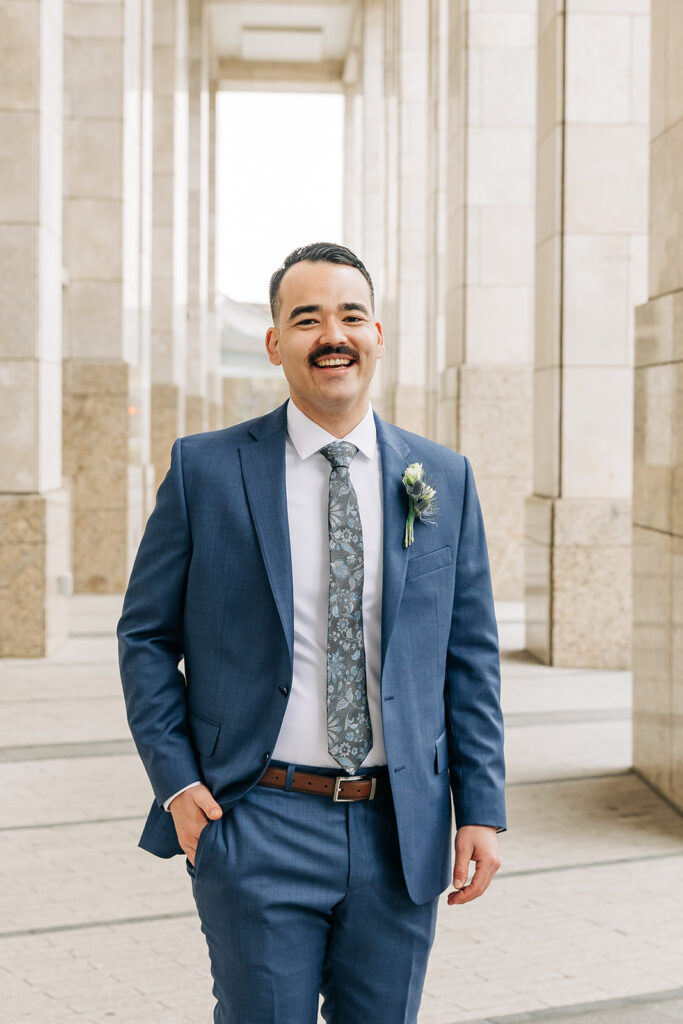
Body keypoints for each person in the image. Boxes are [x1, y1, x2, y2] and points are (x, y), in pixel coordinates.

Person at [117, 242, 506, 1024]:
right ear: (275, 343)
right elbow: (146, 637)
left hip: (403, 830)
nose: (332, 334)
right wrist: (180, 786)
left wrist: (482, 809)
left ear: (377, 334)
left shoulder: (442, 477)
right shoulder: (206, 470)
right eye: (307, 319)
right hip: (257, 817)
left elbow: (469, 656)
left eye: (350, 315)